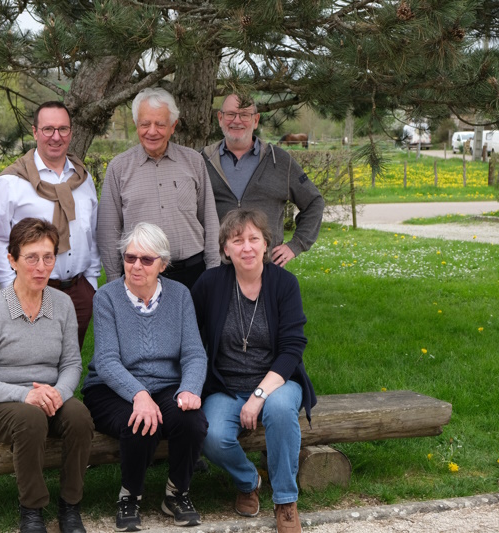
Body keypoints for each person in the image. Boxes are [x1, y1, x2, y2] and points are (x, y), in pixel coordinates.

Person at [190, 209, 316, 533]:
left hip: (277, 381)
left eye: (253, 239)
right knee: (212, 434)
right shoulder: (210, 284)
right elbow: (190, 337)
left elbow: (292, 349)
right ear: (226, 249)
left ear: (265, 244)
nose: (246, 247)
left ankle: (286, 502)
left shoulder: (284, 284)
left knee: (280, 410)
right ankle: (249, 481)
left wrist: (258, 396)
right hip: (226, 385)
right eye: (237, 240)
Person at [0, 218, 94, 533]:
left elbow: (71, 365)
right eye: (31, 258)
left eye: (48, 257)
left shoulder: (63, 304)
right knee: (30, 418)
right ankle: (32, 510)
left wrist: (57, 394)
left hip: (47, 397)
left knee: (79, 416)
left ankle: (70, 506)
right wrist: (26, 395)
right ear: (12, 260)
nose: (41, 267)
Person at [82, 222, 208, 531]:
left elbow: (194, 353)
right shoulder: (107, 297)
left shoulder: (180, 296)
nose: (136, 265)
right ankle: (130, 496)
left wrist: (189, 388)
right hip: (110, 388)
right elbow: (108, 360)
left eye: (146, 260)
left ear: (163, 265)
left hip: (166, 384)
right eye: (130, 257)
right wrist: (139, 396)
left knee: (191, 420)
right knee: (141, 423)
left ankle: (177, 493)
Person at [0, 101, 100, 349]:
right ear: (35, 131)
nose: (56, 137)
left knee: (70, 364)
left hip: (79, 291)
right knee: (32, 364)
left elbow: (91, 234)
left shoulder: (83, 178)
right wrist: (12, 289)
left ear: (71, 132)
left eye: (63, 129)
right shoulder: (12, 181)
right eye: (48, 129)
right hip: (32, 289)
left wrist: (91, 284)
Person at [97, 87, 220, 289]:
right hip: (140, 275)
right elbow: (108, 230)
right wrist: (113, 280)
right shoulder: (119, 168)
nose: (152, 131)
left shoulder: (194, 162)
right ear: (137, 125)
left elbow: (209, 219)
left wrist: (213, 270)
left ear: (173, 126)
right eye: (145, 124)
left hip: (192, 275)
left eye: (160, 124)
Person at [200, 94, 324, 268]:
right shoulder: (200, 161)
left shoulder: (279, 160)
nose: (237, 120)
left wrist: (296, 244)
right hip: (215, 270)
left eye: (244, 115)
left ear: (256, 120)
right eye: (230, 114)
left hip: (266, 270)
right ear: (220, 118)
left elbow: (314, 202)